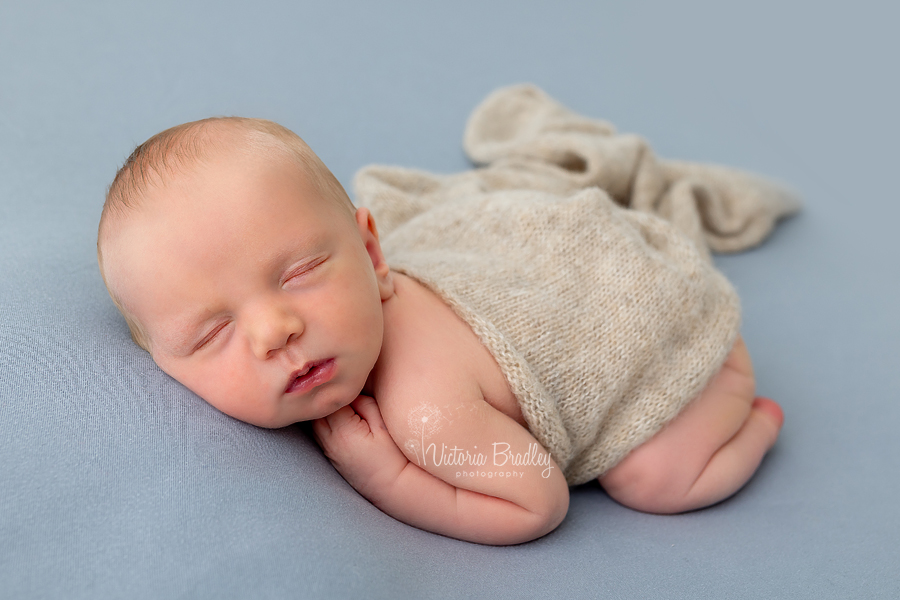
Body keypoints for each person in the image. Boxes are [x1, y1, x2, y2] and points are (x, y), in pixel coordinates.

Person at [97, 117, 784, 546]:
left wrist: (390, 475)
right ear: (163, 364)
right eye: (213, 333)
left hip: (656, 319)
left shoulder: (426, 412)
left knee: (656, 479)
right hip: (541, 289)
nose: (276, 330)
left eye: (301, 271)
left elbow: (535, 503)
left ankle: (743, 401)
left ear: (372, 255)